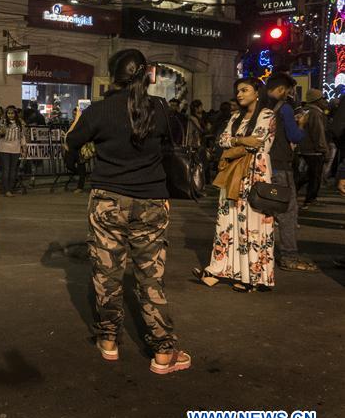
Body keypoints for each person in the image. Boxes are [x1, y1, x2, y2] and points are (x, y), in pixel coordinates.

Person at [65, 49, 190, 375]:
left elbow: (71, 142)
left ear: (112, 75)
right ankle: (163, 352)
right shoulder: (161, 109)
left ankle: (108, 340)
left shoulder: (98, 111)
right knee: (151, 278)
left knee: (107, 276)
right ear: (147, 75)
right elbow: (174, 143)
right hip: (152, 200)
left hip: (107, 200)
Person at [195, 77, 276, 292]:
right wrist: (241, 140)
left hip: (255, 173)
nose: (239, 94)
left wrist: (235, 140)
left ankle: (253, 276)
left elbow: (257, 141)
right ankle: (220, 269)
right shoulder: (235, 117)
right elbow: (222, 140)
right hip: (233, 173)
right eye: (237, 90)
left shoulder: (267, 115)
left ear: (257, 92)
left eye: (244, 90)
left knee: (254, 224)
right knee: (227, 221)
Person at [265, 73, 316, 273]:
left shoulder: (261, 106)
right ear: (281, 89)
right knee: (288, 212)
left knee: (264, 210)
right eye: (288, 91)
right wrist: (301, 124)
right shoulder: (283, 108)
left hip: (262, 165)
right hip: (281, 167)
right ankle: (289, 255)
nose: (289, 95)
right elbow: (294, 136)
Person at [295, 89, 328, 209]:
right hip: (314, 150)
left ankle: (296, 192)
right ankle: (310, 199)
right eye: (323, 99)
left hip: (304, 148)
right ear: (317, 101)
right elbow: (318, 133)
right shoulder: (315, 113)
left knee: (309, 174)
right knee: (315, 176)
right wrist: (324, 149)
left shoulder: (305, 111)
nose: (325, 101)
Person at [0, 105, 25, 196]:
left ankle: (10, 188)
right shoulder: (3, 121)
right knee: (6, 169)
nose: (11, 115)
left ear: (15, 114)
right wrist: (2, 125)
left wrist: (24, 147)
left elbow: (22, 136)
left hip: (15, 149)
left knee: (13, 170)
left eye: (12, 113)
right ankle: (6, 189)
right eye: (9, 113)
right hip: (4, 148)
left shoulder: (20, 123)